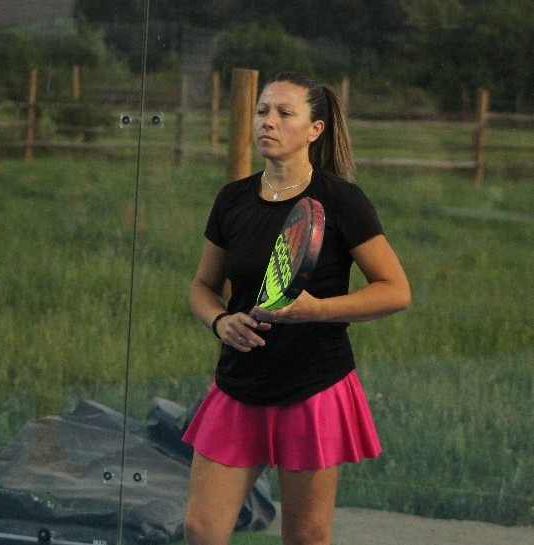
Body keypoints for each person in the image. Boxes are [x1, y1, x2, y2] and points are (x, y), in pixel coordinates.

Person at [182, 71, 411, 545]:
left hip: (313, 388)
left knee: (305, 537)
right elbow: (202, 287)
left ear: (315, 129)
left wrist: (318, 310)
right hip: (239, 384)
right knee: (201, 529)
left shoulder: (342, 200)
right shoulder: (232, 200)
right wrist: (220, 321)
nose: (268, 121)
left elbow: (395, 290)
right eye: (262, 111)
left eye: (285, 113)